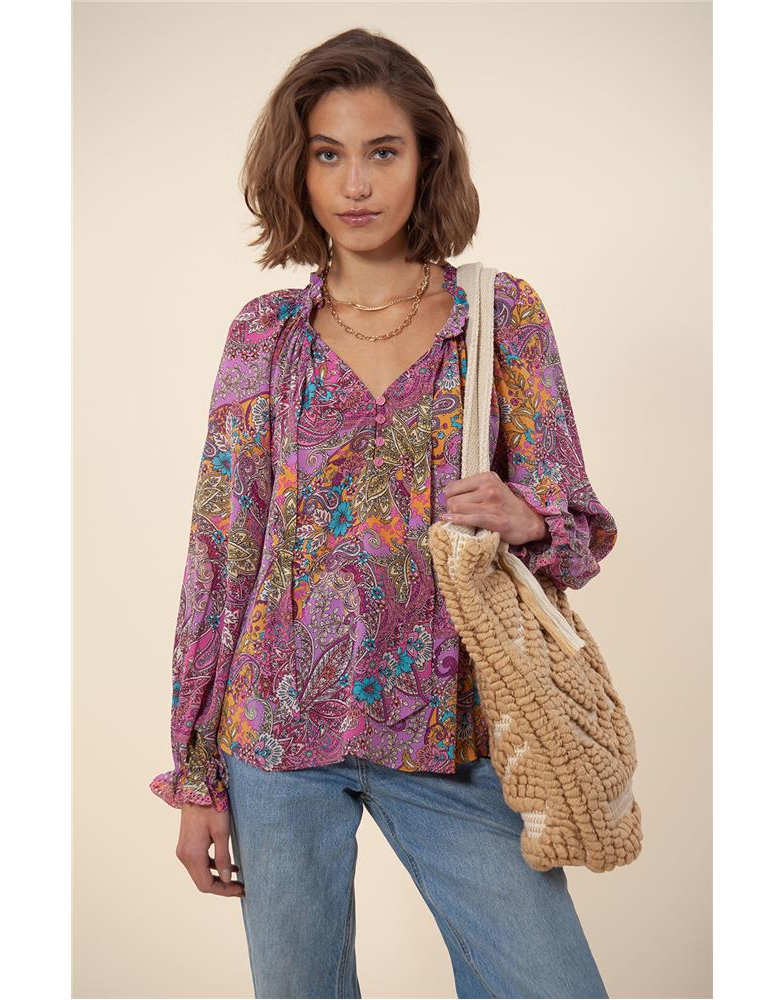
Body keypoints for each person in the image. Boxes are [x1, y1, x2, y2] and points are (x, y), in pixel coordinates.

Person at [150, 26, 618, 1000]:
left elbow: (575, 526)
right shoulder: (266, 335)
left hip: (455, 735)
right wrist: (197, 776)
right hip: (276, 737)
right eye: (328, 155)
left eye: (382, 152)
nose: (355, 184)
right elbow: (220, 553)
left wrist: (528, 518)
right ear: (298, 169)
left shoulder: (500, 315)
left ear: (425, 160)